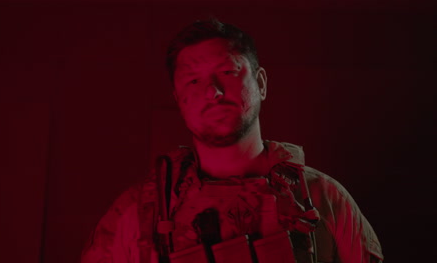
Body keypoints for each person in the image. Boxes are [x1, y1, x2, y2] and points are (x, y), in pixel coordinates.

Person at [81, 19, 384, 263]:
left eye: (227, 71)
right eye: (193, 81)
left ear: (261, 83)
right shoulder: (136, 215)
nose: (212, 91)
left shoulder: (322, 200)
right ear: (179, 99)